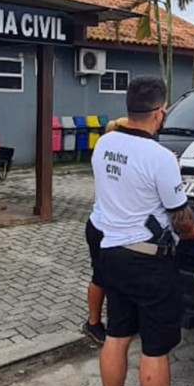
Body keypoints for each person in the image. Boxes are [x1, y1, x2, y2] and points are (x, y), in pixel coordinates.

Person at [91, 76, 194, 386]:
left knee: (117, 334)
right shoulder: (160, 158)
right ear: (159, 111)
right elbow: (180, 218)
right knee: (155, 349)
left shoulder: (104, 144)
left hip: (111, 254)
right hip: (149, 262)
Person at [83, 117, 129, 344]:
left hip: (98, 225)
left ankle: (106, 321)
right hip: (104, 227)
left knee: (104, 277)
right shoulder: (117, 158)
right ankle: (93, 323)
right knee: (101, 277)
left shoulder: (104, 153)